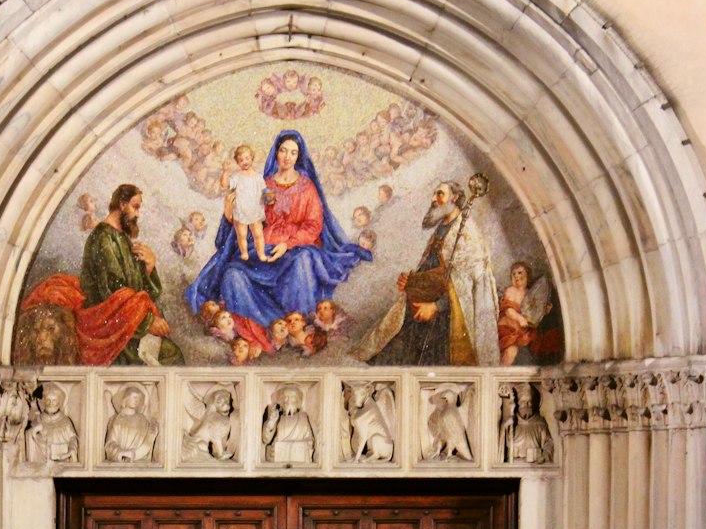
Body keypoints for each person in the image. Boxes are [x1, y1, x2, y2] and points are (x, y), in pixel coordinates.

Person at [186, 130, 371, 354]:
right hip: (261, 250)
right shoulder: (262, 184)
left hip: (296, 248)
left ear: (299, 156)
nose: (287, 156)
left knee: (303, 261)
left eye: (293, 152)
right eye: (283, 150)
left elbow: (313, 225)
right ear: (276, 153)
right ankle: (257, 332)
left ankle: (296, 327)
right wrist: (229, 212)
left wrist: (288, 243)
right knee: (233, 273)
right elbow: (247, 215)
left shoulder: (307, 188)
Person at [18, 184, 183, 366]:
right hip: (106, 326)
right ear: (121, 204)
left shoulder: (122, 239)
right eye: (135, 207)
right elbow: (113, 292)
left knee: (171, 354)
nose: (137, 214)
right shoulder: (102, 238)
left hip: (125, 320)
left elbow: (140, 291)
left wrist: (149, 267)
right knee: (171, 356)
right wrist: (147, 321)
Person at [371, 179, 498, 367]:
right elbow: (432, 267)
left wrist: (437, 306)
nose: (433, 199)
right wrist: (411, 282)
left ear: (454, 198)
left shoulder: (466, 232)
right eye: (434, 194)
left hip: (448, 318)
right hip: (423, 306)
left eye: (440, 194)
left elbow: (466, 284)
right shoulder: (442, 228)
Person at [221, 144, 269, 262]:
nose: (245, 162)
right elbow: (224, 185)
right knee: (242, 235)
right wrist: (226, 172)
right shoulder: (237, 177)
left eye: (247, 158)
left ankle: (261, 254)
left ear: (252, 158)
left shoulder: (258, 177)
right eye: (241, 160)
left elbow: (265, 191)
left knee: (258, 234)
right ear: (237, 162)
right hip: (241, 210)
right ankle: (244, 253)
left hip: (255, 210)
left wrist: (269, 201)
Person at [262, 385, 316, 464]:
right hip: (276, 463)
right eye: (286, 397)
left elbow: (310, 441)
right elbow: (266, 440)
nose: (288, 400)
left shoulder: (303, 417)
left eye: (292, 397)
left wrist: (298, 448)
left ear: (297, 399)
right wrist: (272, 421)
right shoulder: (277, 417)